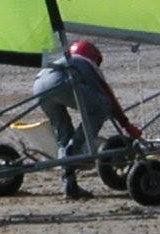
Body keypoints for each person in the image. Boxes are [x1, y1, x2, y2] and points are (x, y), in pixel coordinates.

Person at [31, 40, 142, 201]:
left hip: (39, 83)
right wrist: (126, 124)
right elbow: (108, 96)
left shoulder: (65, 60)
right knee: (102, 106)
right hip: (59, 81)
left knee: (63, 133)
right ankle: (75, 146)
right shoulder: (87, 63)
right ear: (92, 56)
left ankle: (70, 185)